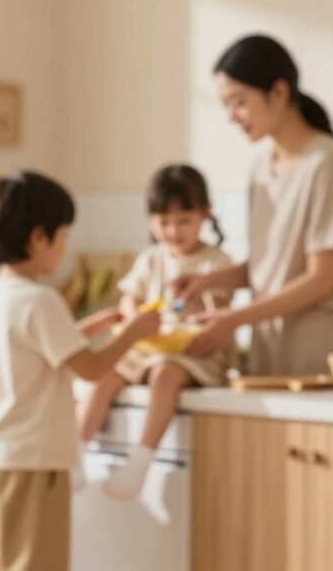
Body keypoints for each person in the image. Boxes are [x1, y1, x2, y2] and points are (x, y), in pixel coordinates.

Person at [0, 170, 159, 571]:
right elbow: (90, 368)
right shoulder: (41, 299)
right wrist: (134, 334)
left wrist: (91, 328)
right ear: (39, 238)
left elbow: (41, 347)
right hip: (32, 463)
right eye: (64, 235)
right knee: (34, 564)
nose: (65, 247)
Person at [173, 34, 333, 375]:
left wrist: (234, 318)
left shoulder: (326, 162)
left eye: (239, 102)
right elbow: (269, 268)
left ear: (278, 92)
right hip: (270, 346)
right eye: (226, 106)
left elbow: (321, 279)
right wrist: (206, 281)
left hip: (318, 347)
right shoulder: (260, 169)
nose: (232, 117)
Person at [74, 164, 233, 499]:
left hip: (191, 354)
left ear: (205, 213)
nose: (173, 231)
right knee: (103, 375)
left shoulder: (215, 262)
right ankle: (74, 454)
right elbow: (130, 301)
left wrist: (192, 309)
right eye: (163, 222)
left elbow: (218, 309)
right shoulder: (150, 259)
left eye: (183, 221)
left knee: (165, 374)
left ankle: (140, 461)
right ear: (151, 221)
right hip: (146, 350)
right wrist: (136, 319)